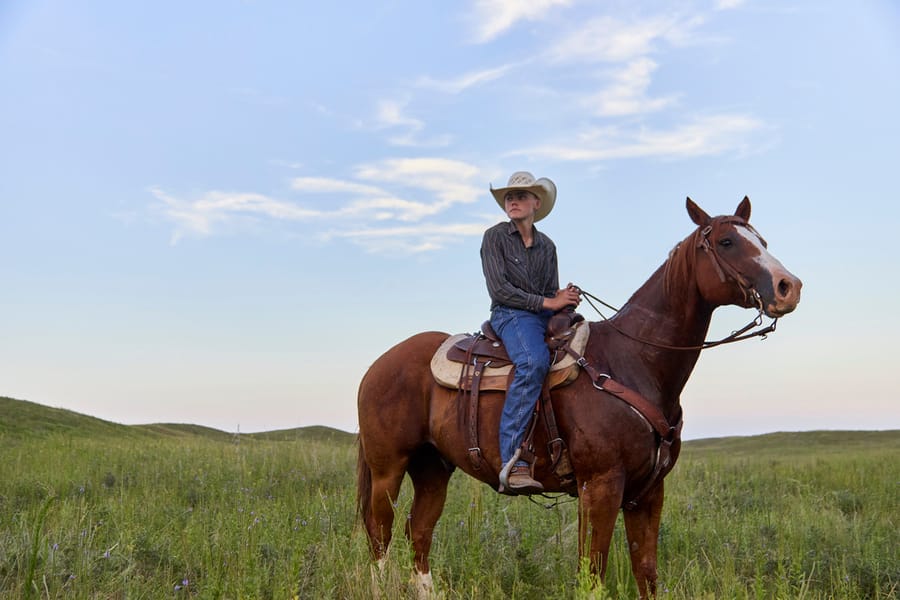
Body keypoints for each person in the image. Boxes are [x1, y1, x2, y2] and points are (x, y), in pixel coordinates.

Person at [480, 171, 581, 494]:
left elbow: (550, 290)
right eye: (509, 197)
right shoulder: (494, 237)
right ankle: (513, 459)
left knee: (584, 353)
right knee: (533, 362)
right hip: (510, 314)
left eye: (521, 196)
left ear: (536, 203)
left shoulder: (547, 246)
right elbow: (500, 289)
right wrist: (548, 300)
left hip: (540, 315)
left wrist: (564, 300)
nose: (513, 201)